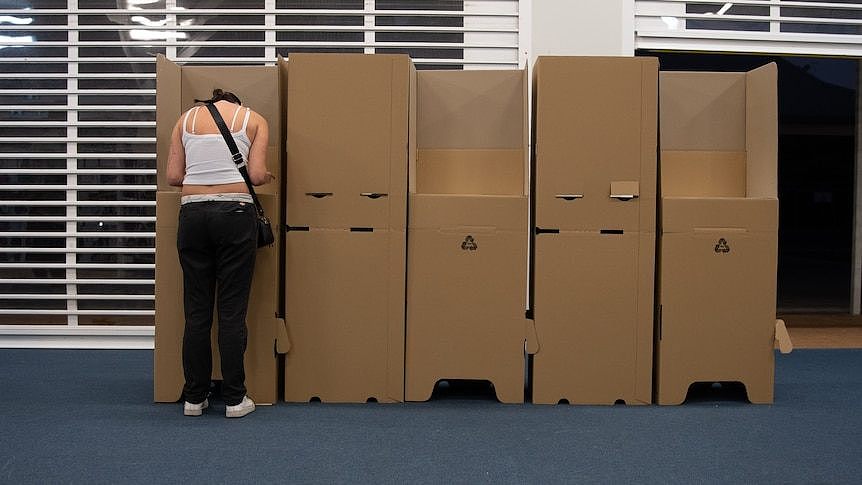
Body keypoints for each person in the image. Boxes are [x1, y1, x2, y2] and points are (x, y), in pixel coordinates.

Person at [166, 88, 272, 418]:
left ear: (210, 103)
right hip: (235, 215)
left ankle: (194, 398)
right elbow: (255, 175)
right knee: (231, 310)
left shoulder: (184, 121)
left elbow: (173, 177)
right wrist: (267, 177)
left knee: (196, 311)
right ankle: (235, 399)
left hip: (192, 215)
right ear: (235, 103)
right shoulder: (254, 120)